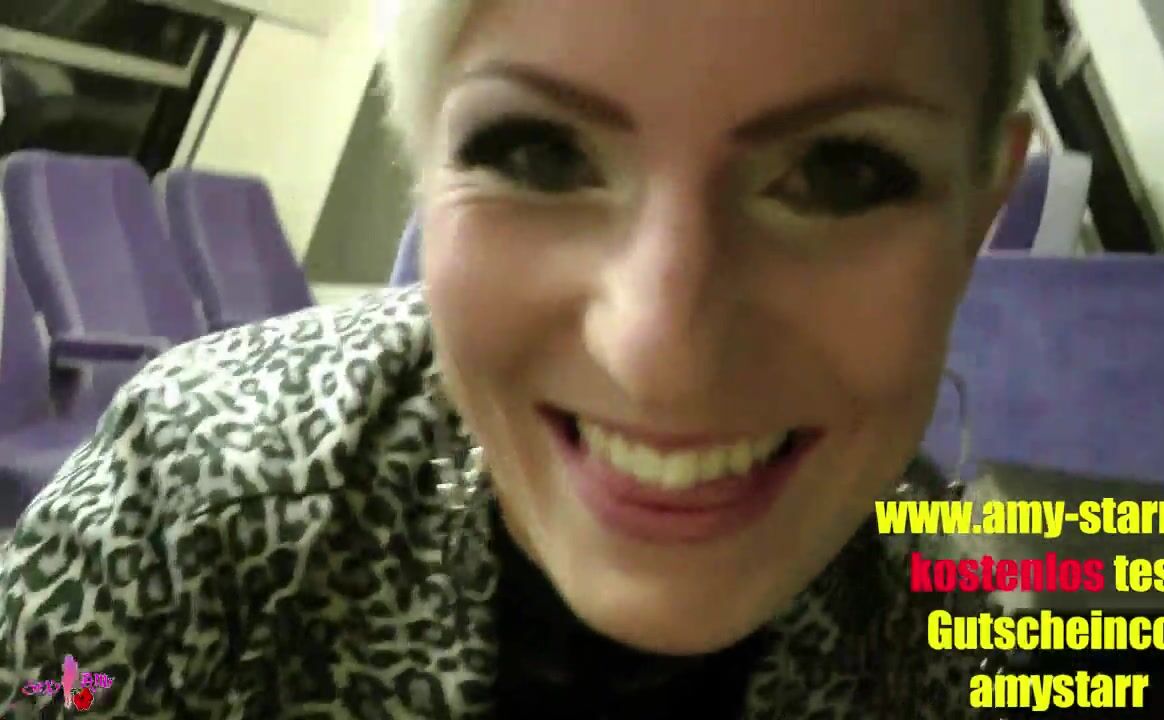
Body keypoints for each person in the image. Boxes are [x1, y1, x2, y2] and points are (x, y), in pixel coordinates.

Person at [0, 1, 1043, 717]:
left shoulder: (969, 634)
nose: (660, 361)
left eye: (841, 172)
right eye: (539, 153)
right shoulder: (203, 485)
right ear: (423, 170)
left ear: (979, 212)